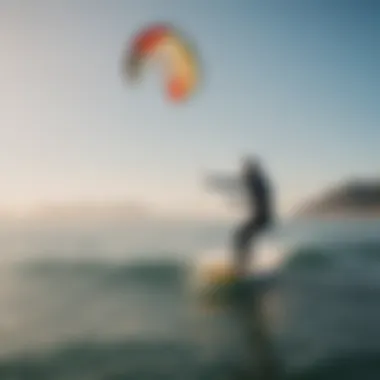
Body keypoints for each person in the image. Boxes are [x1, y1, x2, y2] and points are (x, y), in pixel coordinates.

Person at [233, 157, 273, 277]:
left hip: (261, 217)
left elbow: (239, 185)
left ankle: (243, 269)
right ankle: (244, 267)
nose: (243, 173)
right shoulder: (258, 180)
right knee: (243, 238)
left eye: (246, 171)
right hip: (261, 217)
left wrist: (217, 182)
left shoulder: (255, 181)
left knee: (241, 237)